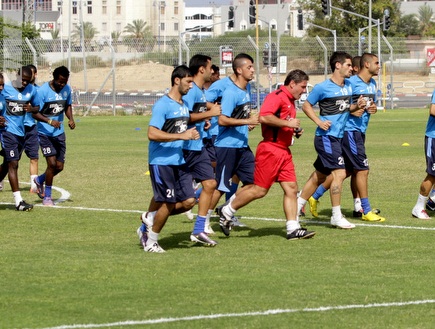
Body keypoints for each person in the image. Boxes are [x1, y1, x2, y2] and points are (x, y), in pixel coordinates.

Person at [219, 69, 316, 240]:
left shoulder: (290, 100)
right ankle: (227, 210)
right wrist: (288, 123)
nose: (304, 90)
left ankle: (293, 228)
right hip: (270, 150)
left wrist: (293, 130)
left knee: (291, 188)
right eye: (302, 86)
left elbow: (281, 122)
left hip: (284, 151)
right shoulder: (276, 96)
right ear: (292, 84)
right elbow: (264, 117)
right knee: (259, 190)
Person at [306, 53, 385, 222]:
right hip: (349, 131)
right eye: (377, 63)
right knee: (362, 170)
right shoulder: (351, 82)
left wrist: (372, 109)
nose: (380, 66)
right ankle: (365, 209)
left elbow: (364, 105)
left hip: (360, 131)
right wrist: (353, 109)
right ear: (366, 64)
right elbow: (343, 105)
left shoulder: (372, 84)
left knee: (349, 170)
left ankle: (315, 196)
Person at [296, 51, 366, 229]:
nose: (351, 69)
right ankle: (336, 215)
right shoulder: (322, 87)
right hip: (326, 138)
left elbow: (345, 108)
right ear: (338, 65)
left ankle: (296, 206)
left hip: (338, 138)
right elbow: (306, 105)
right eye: (349, 65)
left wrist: (357, 106)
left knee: (319, 175)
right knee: (340, 174)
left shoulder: (349, 86)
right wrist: (318, 121)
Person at [138, 65, 200, 253]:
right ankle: (151, 242)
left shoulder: (183, 105)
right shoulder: (163, 105)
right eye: (189, 81)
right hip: (161, 162)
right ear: (177, 80)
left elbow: (181, 127)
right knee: (169, 202)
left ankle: (152, 215)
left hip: (179, 162)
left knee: (190, 201)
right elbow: (152, 133)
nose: (191, 86)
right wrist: (182, 136)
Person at [208, 53, 259, 236]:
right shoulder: (229, 92)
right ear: (239, 70)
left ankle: (227, 210)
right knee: (221, 186)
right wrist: (246, 122)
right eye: (249, 67)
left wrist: (248, 122)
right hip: (227, 146)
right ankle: (204, 220)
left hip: (242, 146)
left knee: (255, 184)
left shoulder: (246, 90)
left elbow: (239, 116)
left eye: (253, 67)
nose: (253, 70)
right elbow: (222, 120)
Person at [181, 54, 220, 246]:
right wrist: (210, 114)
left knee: (211, 184)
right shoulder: (191, 91)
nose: (213, 71)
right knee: (180, 198)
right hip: (185, 148)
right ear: (202, 69)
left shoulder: (200, 91)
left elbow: (194, 116)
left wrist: (204, 121)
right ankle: (150, 219)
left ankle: (198, 230)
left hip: (198, 146)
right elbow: (184, 116)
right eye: (211, 67)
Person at [32, 66, 75, 206]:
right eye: (60, 82)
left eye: (65, 82)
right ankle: (47, 197)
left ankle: (39, 180)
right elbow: (34, 113)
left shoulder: (67, 89)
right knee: (51, 164)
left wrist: (70, 119)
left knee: (59, 166)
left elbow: (68, 105)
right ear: (54, 78)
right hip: (44, 133)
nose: (62, 85)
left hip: (59, 133)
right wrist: (50, 121)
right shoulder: (42, 91)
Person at [0, 66, 40, 210]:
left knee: (6, 165)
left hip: (21, 133)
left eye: (27, 81)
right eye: (22, 80)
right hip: (7, 131)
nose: (24, 83)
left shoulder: (32, 90)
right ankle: (19, 202)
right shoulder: (5, 88)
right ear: (16, 76)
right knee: (13, 164)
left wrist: (32, 109)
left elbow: (38, 108)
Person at [411, 85, 435, 219]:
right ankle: (419, 207)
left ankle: (433, 199)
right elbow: (433, 110)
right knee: (432, 174)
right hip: (434, 137)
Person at [24, 64, 40, 194]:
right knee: (10, 160)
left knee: (34, 157)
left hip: (31, 127)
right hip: (15, 128)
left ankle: (34, 186)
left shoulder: (36, 91)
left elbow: (39, 107)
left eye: (32, 74)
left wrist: (32, 108)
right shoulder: (13, 90)